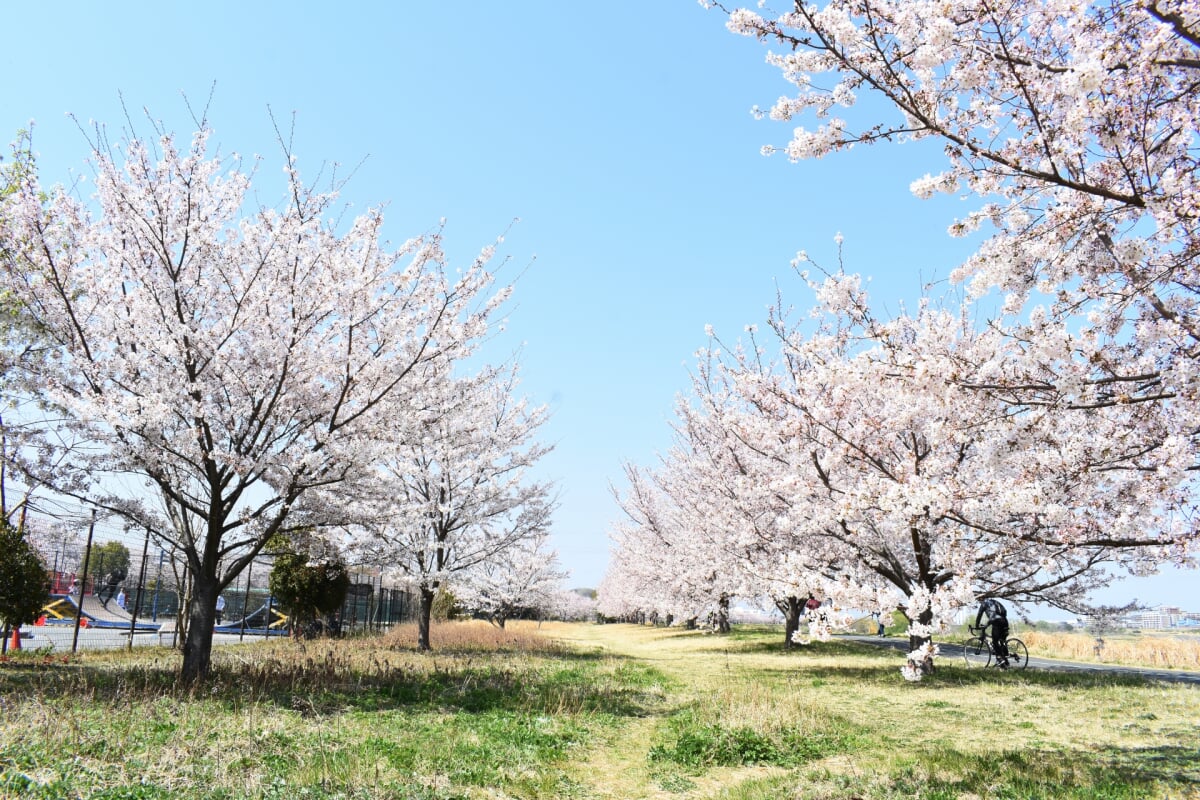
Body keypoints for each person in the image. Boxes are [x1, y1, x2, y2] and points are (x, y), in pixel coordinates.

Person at [975, 597, 1011, 667]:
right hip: (1004, 621)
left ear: (980, 599)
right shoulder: (994, 602)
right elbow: (1004, 611)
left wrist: (977, 625)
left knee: (995, 642)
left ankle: (1000, 659)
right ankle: (1005, 662)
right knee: (1001, 641)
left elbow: (979, 615)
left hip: (996, 621)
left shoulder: (984, 603)